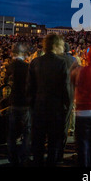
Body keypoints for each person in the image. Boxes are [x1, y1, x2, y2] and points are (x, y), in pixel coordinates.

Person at [27, 34, 72, 166]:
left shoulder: (35, 62)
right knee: (54, 143)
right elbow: (66, 88)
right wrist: (67, 106)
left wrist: (32, 106)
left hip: (39, 108)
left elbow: (29, 88)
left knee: (38, 142)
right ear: (57, 45)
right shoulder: (62, 63)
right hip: (56, 109)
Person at [4, 43, 31, 166]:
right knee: (26, 132)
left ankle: (12, 157)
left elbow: (5, 83)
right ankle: (24, 156)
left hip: (14, 102)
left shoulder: (10, 66)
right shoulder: (27, 67)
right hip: (25, 102)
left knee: (12, 132)